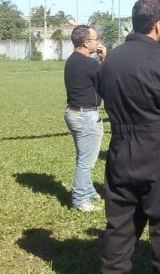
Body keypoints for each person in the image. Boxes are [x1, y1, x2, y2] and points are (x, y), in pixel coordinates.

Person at [99, 0, 160, 273]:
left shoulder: (110, 59)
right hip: (158, 149)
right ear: (156, 25)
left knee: (119, 225)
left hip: (120, 149)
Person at [63, 24, 106, 212]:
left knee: (83, 156)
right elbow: (107, 80)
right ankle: (80, 200)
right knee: (86, 161)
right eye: (95, 39)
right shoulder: (90, 63)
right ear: (86, 42)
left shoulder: (72, 60)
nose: (98, 42)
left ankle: (87, 190)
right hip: (86, 115)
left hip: (73, 113)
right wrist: (105, 58)